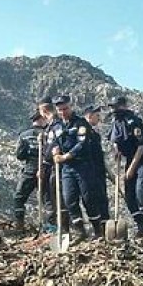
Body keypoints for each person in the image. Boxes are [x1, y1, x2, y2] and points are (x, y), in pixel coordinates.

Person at [48, 95, 103, 241]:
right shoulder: (56, 126)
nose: (63, 112)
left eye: (65, 108)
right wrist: (54, 151)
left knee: (88, 198)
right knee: (69, 199)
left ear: (70, 106)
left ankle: (98, 230)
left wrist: (66, 156)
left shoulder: (81, 123)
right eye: (60, 110)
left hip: (83, 165)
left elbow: (82, 144)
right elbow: (52, 142)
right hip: (67, 169)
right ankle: (80, 231)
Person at [108, 95, 143, 238]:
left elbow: (141, 147)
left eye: (117, 107)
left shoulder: (134, 122)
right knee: (129, 194)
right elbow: (115, 139)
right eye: (113, 107)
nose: (115, 110)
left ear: (124, 106)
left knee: (141, 188)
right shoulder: (116, 122)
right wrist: (117, 150)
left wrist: (131, 169)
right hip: (130, 158)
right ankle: (141, 226)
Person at [13, 111, 49, 233]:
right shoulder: (49, 133)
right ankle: (52, 227)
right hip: (47, 169)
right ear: (42, 120)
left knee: (19, 197)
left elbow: (20, 155)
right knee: (48, 200)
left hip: (30, 169)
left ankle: (20, 225)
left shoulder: (24, 135)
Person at [83, 105, 111, 222]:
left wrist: (107, 170)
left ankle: (105, 225)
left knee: (102, 199)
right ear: (89, 116)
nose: (99, 119)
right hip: (88, 172)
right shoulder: (83, 133)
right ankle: (98, 227)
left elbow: (99, 155)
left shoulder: (95, 135)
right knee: (92, 199)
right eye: (97, 116)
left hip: (99, 172)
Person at [37, 96, 60, 233]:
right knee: (47, 195)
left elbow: (58, 143)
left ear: (43, 110)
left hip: (56, 165)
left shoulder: (57, 125)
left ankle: (60, 226)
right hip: (47, 165)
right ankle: (50, 224)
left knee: (55, 195)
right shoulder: (49, 127)